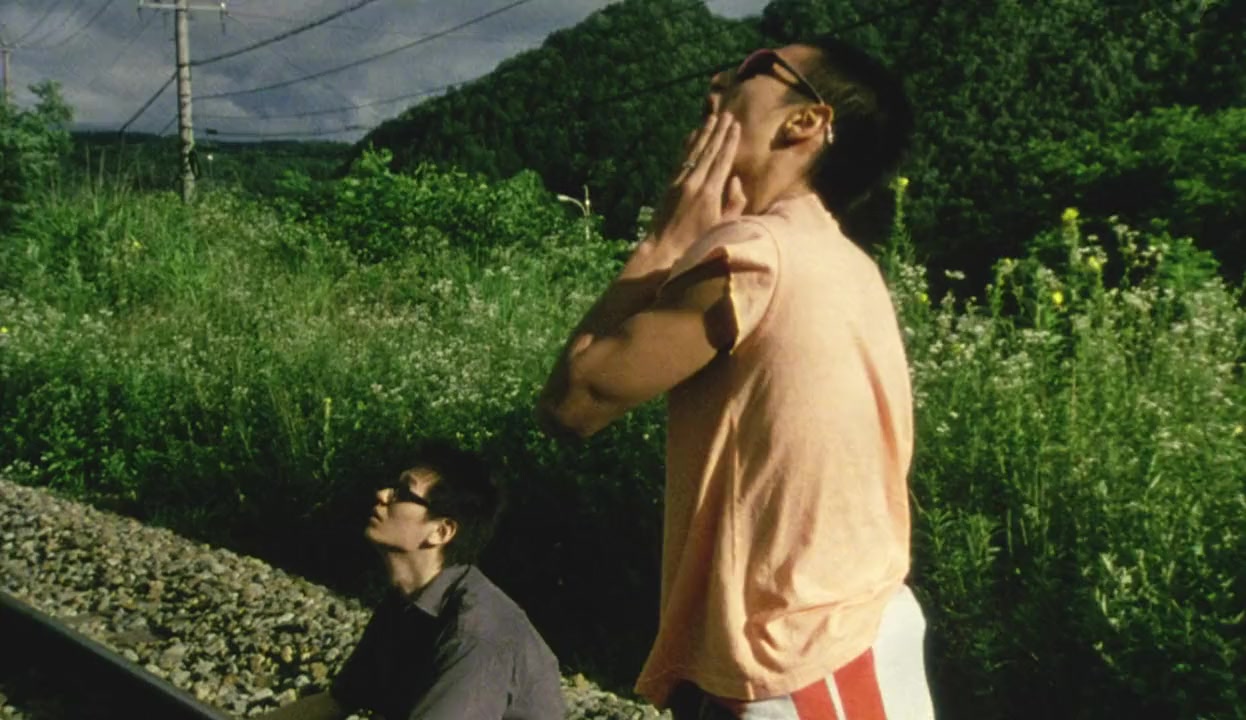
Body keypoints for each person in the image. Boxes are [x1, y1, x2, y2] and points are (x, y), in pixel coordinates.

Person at [538, 36, 934, 720]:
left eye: (752, 68)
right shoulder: (846, 261)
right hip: (831, 644)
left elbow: (574, 402)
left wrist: (665, 239)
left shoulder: (754, 256)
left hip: (796, 666)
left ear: (805, 121)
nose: (718, 81)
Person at [258, 441, 566, 720]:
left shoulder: (476, 631)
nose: (382, 495)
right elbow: (338, 701)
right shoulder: (406, 602)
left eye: (402, 493)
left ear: (441, 531)